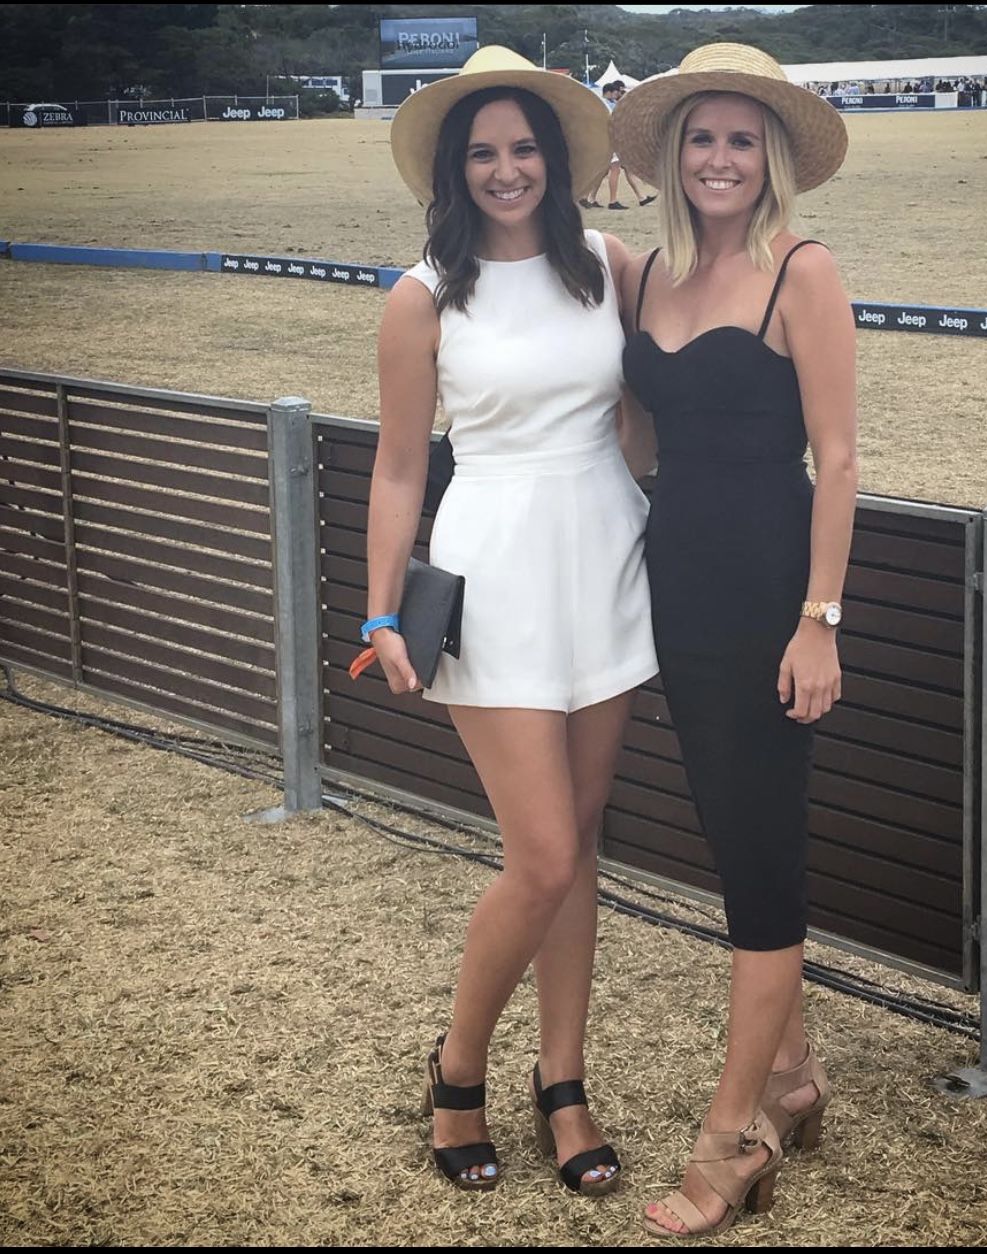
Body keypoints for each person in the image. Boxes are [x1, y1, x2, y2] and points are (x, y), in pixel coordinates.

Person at [367, 45, 657, 1196]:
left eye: (523, 148)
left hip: (607, 565)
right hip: (492, 577)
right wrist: (381, 611)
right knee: (538, 856)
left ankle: (564, 1087)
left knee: (577, 845)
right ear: (453, 168)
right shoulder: (421, 296)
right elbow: (399, 468)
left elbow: (644, 412)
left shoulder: (607, 265)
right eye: (482, 152)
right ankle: (457, 1071)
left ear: (555, 159)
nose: (505, 169)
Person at [611, 43, 857, 1237]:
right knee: (728, 831)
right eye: (700, 138)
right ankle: (794, 1076)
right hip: (678, 592)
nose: (719, 159)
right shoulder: (647, 275)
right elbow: (638, 441)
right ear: (671, 154)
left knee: (759, 868)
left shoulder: (800, 270)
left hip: (768, 598)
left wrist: (818, 620)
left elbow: (839, 460)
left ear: (771, 160)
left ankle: (734, 1139)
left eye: (740, 141)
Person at [579, 80, 657, 210]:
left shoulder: (606, 103)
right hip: (611, 141)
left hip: (610, 141)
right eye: (616, 93)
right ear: (609, 92)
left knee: (610, 170)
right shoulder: (605, 105)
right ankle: (612, 200)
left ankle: (590, 198)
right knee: (614, 169)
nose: (617, 95)